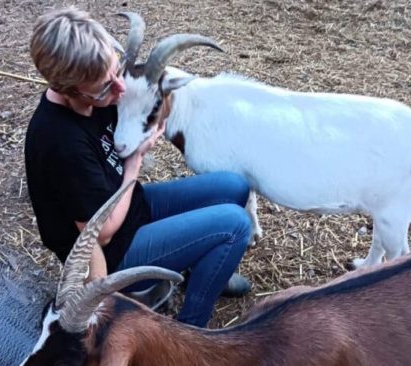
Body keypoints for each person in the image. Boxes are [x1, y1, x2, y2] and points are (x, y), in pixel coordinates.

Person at [24, 6, 251, 327]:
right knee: (235, 225)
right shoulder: (60, 141)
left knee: (233, 186)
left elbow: (146, 101)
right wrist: (134, 161)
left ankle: (207, 265)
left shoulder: (95, 94)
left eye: (117, 71)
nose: (119, 88)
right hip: (113, 253)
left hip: (134, 208)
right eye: (105, 86)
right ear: (69, 89)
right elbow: (101, 234)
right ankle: (190, 328)